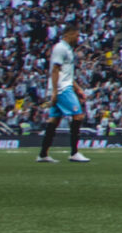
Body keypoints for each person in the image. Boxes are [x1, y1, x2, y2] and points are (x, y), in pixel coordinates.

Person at [36, 21, 89, 164]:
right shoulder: (60, 48)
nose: (78, 39)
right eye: (77, 35)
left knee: (54, 120)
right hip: (62, 89)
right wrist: (54, 92)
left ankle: (43, 154)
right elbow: (55, 70)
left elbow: (66, 73)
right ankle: (74, 152)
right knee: (78, 116)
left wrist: (78, 89)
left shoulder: (66, 49)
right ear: (69, 34)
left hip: (64, 86)